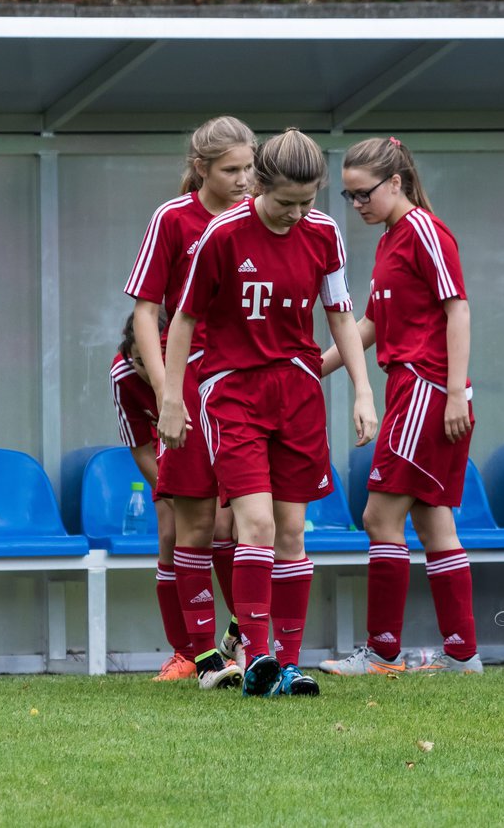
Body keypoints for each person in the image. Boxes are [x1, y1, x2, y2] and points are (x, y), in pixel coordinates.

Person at [159, 128, 378, 698]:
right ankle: (257, 656)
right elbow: (181, 321)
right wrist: (172, 396)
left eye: (307, 203)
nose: (296, 214)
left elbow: (339, 314)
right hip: (233, 391)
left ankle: (287, 663)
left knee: (291, 533)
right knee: (252, 524)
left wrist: (362, 390)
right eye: (285, 204)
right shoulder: (221, 235)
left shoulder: (324, 234)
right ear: (258, 185)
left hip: (298, 393)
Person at [318, 136, 482, 677]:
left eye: (363, 193)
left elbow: (457, 311)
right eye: (348, 196)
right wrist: (310, 368)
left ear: (396, 182)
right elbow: (367, 326)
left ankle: (383, 653)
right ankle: (463, 656)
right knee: (436, 525)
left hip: (427, 388)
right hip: (417, 388)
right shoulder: (391, 238)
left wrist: (455, 390)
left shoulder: (426, 232)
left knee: (378, 515)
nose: (357, 204)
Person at [124, 116, 256, 689]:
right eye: (232, 170)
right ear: (201, 168)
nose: (246, 180)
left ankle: (252, 646)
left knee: (251, 523)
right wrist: (167, 391)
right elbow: (146, 312)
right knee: (185, 524)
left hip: (246, 387)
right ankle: (192, 653)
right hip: (190, 385)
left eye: (251, 167)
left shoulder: (264, 217)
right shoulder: (172, 219)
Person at [109, 311, 194, 681]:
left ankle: (240, 643)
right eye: (139, 361)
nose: (146, 371)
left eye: (154, 360)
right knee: (170, 535)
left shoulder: (194, 362)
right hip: (168, 455)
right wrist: (173, 492)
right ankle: (184, 653)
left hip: (214, 449)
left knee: (231, 533)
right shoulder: (123, 377)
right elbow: (142, 448)